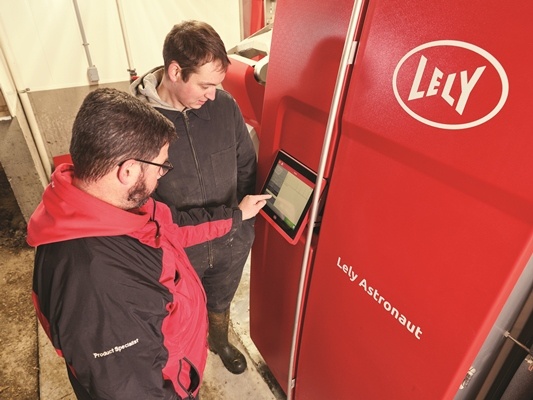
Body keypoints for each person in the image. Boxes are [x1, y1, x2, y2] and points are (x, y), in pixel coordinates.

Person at [27, 87, 269, 399]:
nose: (161, 177)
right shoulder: (97, 284)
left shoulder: (110, 207)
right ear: (127, 170)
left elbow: (173, 227)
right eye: (160, 166)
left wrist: (237, 215)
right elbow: (130, 390)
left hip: (177, 367)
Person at [131, 20, 258, 374]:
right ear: (175, 71)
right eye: (205, 85)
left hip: (231, 240)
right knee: (178, 317)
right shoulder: (137, 123)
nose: (213, 95)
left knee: (221, 300)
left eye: (218, 85)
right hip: (178, 251)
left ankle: (219, 340)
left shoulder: (224, 107)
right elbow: (138, 205)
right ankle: (186, 364)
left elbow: (246, 165)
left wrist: (244, 230)